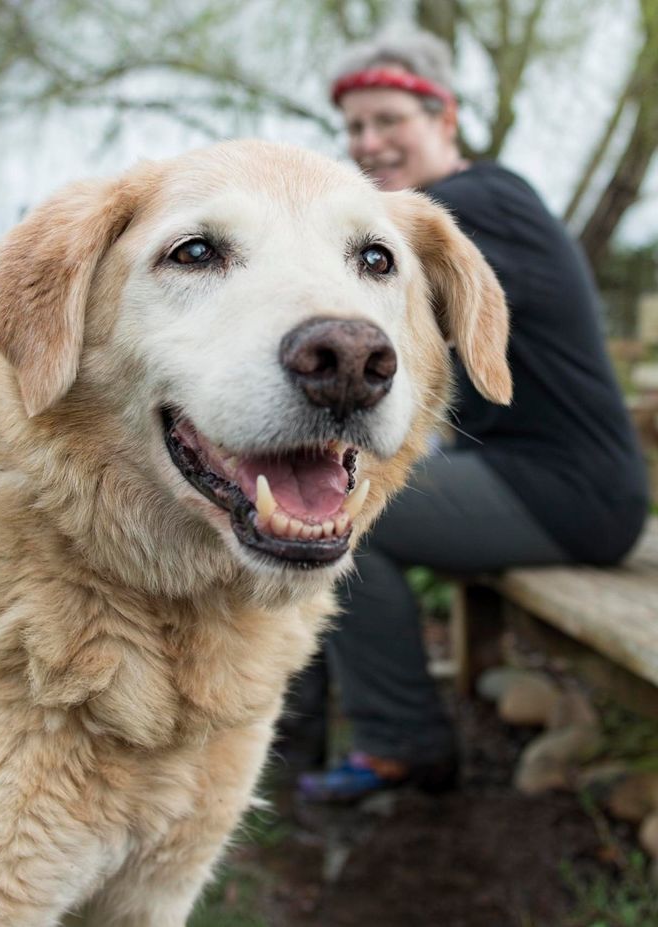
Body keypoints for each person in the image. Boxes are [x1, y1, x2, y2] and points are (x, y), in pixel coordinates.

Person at [285, 30, 651, 802]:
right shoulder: (449, 208)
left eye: (389, 121)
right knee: (300, 500)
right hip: (515, 471)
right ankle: (288, 748)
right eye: (354, 128)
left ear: (444, 120)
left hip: (570, 488)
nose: (369, 142)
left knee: (343, 515)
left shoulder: (479, 205)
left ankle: (401, 745)